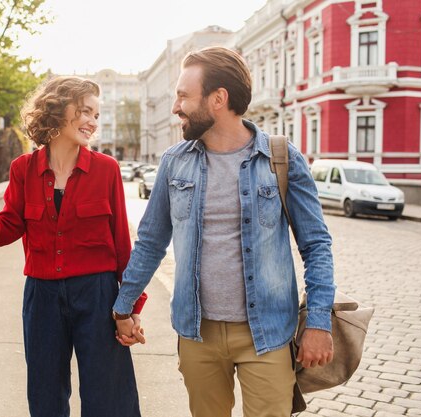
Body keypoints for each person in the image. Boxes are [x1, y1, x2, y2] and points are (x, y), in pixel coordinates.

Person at [112, 47, 335, 417]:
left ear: (218, 99)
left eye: (184, 95)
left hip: (267, 334)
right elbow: (151, 243)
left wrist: (318, 322)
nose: (175, 107)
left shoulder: (281, 158)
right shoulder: (173, 163)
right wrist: (123, 307)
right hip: (197, 332)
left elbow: (316, 246)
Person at [0, 76, 147, 417]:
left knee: (109, 398)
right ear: (57, 110)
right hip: (43, 297)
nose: (93, 121)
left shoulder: (106, 170)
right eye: (85, 111)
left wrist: (130, 308)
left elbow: (123, 247)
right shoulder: (23, 169)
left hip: (97, 294)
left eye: (96, 113)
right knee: (45, 396)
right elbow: (5, 230)